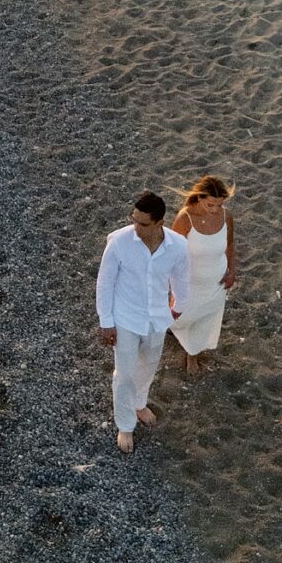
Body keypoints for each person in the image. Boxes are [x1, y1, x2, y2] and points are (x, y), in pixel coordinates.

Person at [95, 192, 190, 453]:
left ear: (160, 223)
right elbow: (105, 282)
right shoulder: (119, 242)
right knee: (124, 373)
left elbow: (181, 277)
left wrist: (179, 306)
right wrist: (106, 321)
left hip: (156, 318)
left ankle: (139, 403)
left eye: (143, 223)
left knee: (149, 363)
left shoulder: (178, 246)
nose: (136, 227)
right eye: (133, 220)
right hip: (124, 317)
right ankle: (125, 425)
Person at [170, 175, 237, 375]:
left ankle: (192, 354)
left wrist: (232, 270)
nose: (215, 209)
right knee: (183, 315)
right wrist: (174, 284)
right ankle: (172, 328)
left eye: (219, 204)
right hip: (190, 281)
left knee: (206, 317)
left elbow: (231, 244)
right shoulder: (185, 218)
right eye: (210, 205)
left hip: (216, 280)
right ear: (199, 198)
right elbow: (172, 253)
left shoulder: (227, 216)